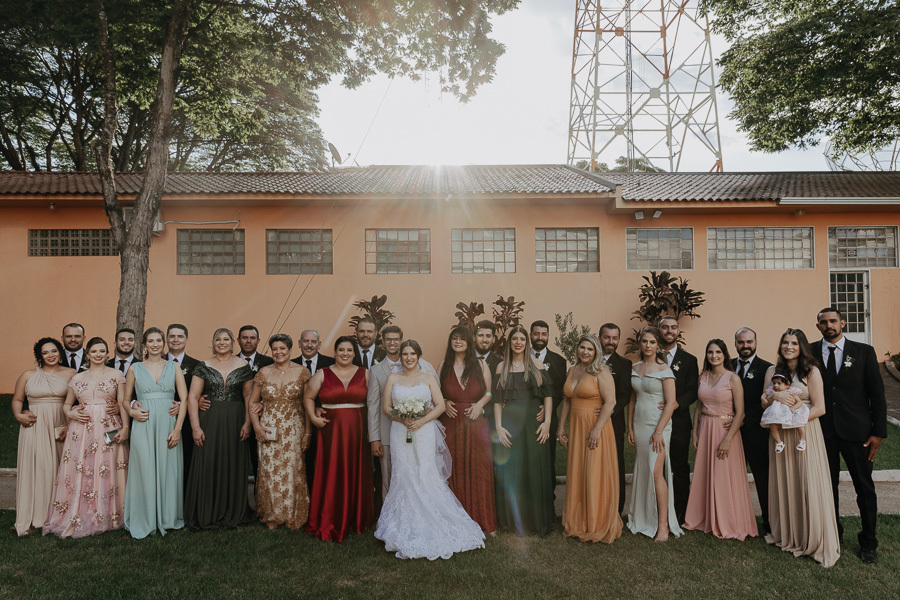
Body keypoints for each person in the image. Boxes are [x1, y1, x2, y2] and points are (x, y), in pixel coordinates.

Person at [375, 340, 485, 559]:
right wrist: (402, 418)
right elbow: (386, 407)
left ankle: (436, 518)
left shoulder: (428, 377)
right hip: (400, 431)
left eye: (412, 354)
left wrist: (421, 421)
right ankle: (403, 521)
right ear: (401, 356)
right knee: (403, 472)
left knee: (424, 471)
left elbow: (441, 406)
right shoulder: (393, 379)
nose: (408, 358)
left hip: (424, 431)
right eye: (405, 354)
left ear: (418, 356)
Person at [813, 307, 886, 564]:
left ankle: (868, 542)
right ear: (818, 326)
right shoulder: (810, 352)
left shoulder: (864, 352)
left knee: (864, 489)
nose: (829, 325)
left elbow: (877, 394)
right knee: (827, 488)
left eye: (833, 321)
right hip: (823, 432)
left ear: (842, 323)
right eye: (823, 322)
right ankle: (834, 535)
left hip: (858, 433)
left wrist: (878, 432)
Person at [764, 328, 839, 567]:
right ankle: (789, 534)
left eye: (794, 343)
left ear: (802, 347)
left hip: (804, 432)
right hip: (780, 437)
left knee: (808, 481)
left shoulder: (812, 371)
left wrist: (794, 418)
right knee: (786, 481)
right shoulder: (772, 371)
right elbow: (764, 401)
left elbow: (820, 408)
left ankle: (813, 537)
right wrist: (774, 398)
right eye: (785, 342)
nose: (789, 347)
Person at [43, 337, 128, 538]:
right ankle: (79, 512)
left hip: (109, 426)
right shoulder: (77, 378)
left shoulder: (117, 375)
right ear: (87, 354)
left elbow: (123, 402)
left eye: (102, 351)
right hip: (81, 429)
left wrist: (125, 428)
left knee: (107, 465)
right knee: (83, 466)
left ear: (107, 354)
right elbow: (67, 404)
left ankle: (109, 514)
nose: (98, 355)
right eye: (94, 351)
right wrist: (71, 413)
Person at [683, 339, 757, 540]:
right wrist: (695, 432)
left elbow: (740, 413)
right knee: (705, 474)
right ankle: (705, 517)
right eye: (710, 352)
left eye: (717, 352)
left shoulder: (733, 378)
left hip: (726, 432)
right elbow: (699, 406)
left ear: (724, 354)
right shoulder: (703, 376)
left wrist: (727, 439)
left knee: (723, 476)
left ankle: (728, 521)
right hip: (706, 429)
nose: (714, 356)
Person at [303, 336, 374, 541]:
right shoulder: (322, 373)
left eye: (349, 350)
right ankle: (330, 517)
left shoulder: (365, 374)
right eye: (341, 350)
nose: (345, 354)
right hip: (330, 432)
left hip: (357, 431)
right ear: (334, 352)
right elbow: (308, 397)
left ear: (354, 353)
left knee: (356, 470)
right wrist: (313, 418)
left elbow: (373, 402)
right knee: (332, 471)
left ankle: (357, 518)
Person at [184, 328, 255, 529]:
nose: (222, 342)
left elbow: (248, 396)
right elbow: (193, 397)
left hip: (235, 420)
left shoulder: (243, 366)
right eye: (218, 339)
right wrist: (195, 427)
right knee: (208, 462)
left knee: (233, 460)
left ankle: (232, 510)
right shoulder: (203, 366)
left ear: (233, 343)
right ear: (213, 343)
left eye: (226, 339)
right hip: (209, 420)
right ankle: (207, 510)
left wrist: (248, 422)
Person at [124, 327, 189, 538]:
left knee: (168, 470)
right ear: (144, 345)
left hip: (168, 425)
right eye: (150, 341)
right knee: (144, 468)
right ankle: (145, 516)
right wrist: (132, 412)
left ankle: (167, 517)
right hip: (143, 424)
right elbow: (125, 400)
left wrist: (177, 429)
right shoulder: (135, 368)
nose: (155, 344)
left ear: (163, 343)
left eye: (158, 340)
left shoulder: (174, 367)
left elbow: (184, 399)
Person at [557, 334, 621, 543]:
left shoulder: (601, 371)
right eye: (582, 347)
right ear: (577, 349)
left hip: (595, 427)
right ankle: (577, 520)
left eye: (590, 349)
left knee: (594, 471)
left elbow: (611, 402)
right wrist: (561, 427)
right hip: (576, 427)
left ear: (596, 352)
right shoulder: (572, 369)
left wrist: (597, 429)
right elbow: (567, 400)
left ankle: (595, 522)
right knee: (578, 470)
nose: (585, 352)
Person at [493, 326, 555, 536]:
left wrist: (547, 422)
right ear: (509, 342)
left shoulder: (536, 364)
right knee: (514, 470)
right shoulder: (501, 367)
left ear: (527, 342)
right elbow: (497, 401)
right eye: (514, 339)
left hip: (533, 424)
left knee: (534, 469)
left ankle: (536, 521)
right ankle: (514, 522)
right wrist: (498, 427)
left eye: (522, 339)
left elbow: (548, 395)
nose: (518, 342)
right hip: (509, 425)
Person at [367, 325, 439, 502]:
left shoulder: (426, 371)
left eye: (395, 339)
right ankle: (391, 512)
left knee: (422, 471)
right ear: (382, 342)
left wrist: (423, 415)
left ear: (401, 341)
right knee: (391, 478)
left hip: (422, 431)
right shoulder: (377, 371)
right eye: (388, 339)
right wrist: (375, 437)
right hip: (391, 432)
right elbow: (374, 405)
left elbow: (436, 402)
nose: (392, 342)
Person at [12, 338, 75, 536]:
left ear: (60, 352)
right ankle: (33, 516)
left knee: (58, 469)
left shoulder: (71, 373)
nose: (50, 355)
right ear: (39, 355)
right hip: (35, 426)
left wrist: (70, 424)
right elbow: (17, 399)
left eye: (53, 351)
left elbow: (79, 401)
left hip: (60, 425)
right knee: (36, 468)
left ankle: (57, 516)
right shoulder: (28, 375)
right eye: (45, 352)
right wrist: (18, 415)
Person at [248, 333, 311, 530]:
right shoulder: (263, 372)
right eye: (274, 349)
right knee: (270, 470)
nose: (278, 352)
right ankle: (272, 515)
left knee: (292, 469)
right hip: (268, 428)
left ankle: (292, 515)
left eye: (282, 348)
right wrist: (256, 427)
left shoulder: (302, 372)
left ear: (290, 350)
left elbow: (308, 404)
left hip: (294, 428)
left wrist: (308, 433)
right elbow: (252, 402)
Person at [438, 326, 496, 534]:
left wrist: (480, 404)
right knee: (451, 468)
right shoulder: (443, 366)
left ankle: (482, 520)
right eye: (454, 338)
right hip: (451, 424)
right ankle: (455, 522)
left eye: (462, 339)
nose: (458, 342)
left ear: (469, 342)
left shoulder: (481, 364)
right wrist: (444, 401)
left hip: (475, 423)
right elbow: (435, 393)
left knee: (479, 469)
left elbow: (489, 392)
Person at [627, 326, 681, 542]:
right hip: (639, 425)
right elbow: (632, 398)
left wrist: (659, 431)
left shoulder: (664, 370)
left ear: (658, 345)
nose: (648, 346)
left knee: (656, 472)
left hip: (658, 426)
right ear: (640, 343)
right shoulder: (635, 366)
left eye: (652, 342)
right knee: (643, 469)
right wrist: (630, 426)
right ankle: (643, 517)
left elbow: (671, 403)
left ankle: (663, 526)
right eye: (644, 341)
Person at [657, 315, 698, 524]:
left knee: (680, 466)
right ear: (659, 330)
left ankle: (681, 511)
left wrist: (675, 404)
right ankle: (657, 510)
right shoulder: (650, 356)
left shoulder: (689, 360)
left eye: (673, 327)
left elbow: (693, 391)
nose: (669, 331)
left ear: (678, 331)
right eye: (665, 327)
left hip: (679, 422)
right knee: (657, 465)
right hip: (654, 420)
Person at [732, 327, 773, 533]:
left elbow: (766, 402)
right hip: (730, 432)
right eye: (741, 342)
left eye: (749, 341)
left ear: (756, 342)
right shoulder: (727, 366)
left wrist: (746, 421)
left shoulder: (766, 368)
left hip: (756, 433)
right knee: (730, 477)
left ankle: (769, 522)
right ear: (735, 344)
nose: (745, 345)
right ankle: (733, 520)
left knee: (763, 479)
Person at [290, 328, 335, 489]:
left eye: (313, 342)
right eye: (306, 341)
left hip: (324, 419)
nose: (309, 345)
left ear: (319, 344)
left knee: (326, 460)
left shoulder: (331, 364)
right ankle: (306, 495)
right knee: (303, 461)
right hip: (296, 421)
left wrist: (317, 407)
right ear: (299, 343)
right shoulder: (291, 365)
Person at [598, 322, 632, 514]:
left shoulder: (624, 364)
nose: (610, 341)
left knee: (615, 465)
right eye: (607, 337)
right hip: (590, 420)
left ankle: (616, 509)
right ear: (599, 338)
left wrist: (609, 411)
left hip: (614, 422)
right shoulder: (590, 359)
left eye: (614, 338)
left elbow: (625, 395)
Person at [530, 320, 567, 487]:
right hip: (526, 416)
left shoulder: (559, 361)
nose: (540, 337)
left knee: (548, 458)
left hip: (549, 418)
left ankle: (549, 496)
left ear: (548, 336)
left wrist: (547, 407)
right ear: (530, 335)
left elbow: (560, 390)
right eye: (536, 334)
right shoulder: (521, 357)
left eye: (543, 334)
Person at [166, 323, 201, 486]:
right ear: (166, 339)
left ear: (187, 339)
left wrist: (184, 404)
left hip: (187, 421)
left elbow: (201, 394)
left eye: (180, 336)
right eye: (172, 336)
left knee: (186, 460)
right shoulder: (156, 362)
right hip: (161, 417)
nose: (176, 339)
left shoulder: (197, 365)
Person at [760, 372, 808, 453]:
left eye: (779, 383)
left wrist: (794, 408)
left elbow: (799, 402)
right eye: (774, 383)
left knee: (800, 424)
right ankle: (779, 442)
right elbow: (764, 394)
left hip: (790, 411)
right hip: (777, 412)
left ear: (787, 385)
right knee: (773, 426)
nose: (775, 385)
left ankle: (802, 440)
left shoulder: (791, 391)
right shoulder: (772, 391)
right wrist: (763, 399)